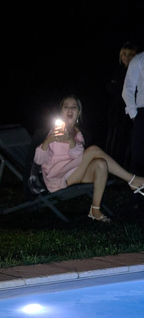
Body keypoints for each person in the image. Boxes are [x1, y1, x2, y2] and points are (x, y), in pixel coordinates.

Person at [34, 95, 144, 223]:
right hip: (57, 178)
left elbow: (78, 156)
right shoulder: (55, 132)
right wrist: (47, 142)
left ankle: (95, 210)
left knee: (100, 164)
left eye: (74, 107)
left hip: (74, 172)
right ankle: (132, 180)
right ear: (61, 112)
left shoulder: (78, 133)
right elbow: (38, 160)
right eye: (66, 107)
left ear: (79, 112)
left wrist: (70, 140)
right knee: (93, 150)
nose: (70, 110)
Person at [105, 42, 137, 166]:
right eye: (124, 54)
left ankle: (124, 168)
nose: (126, 57)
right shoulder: (117, 70)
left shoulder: (136, 72)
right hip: (116, 112)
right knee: (113, 140)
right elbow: (110, 88)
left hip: (130, 113)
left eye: (129, 54)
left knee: (127, 142)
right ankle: (110, 168)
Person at [122, 49, 144, 182]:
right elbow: (128, 89)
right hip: (142, 113)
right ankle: (139, 192)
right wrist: (135, 115)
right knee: (140, 157)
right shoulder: (139, 60)